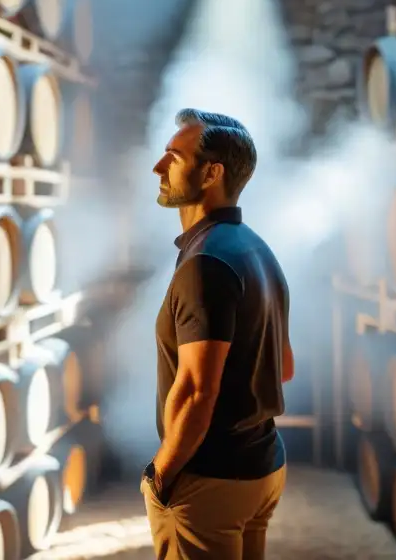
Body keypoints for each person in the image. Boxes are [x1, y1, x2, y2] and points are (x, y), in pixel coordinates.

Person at [141, 107, 294, 560]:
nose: (158, 166)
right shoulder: (258, 250)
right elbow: (283, 368)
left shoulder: (205, 264)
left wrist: (161, 474)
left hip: (211, 479)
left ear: (211, 173)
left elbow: (195, 391)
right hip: (262, 465)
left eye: (173, 156)